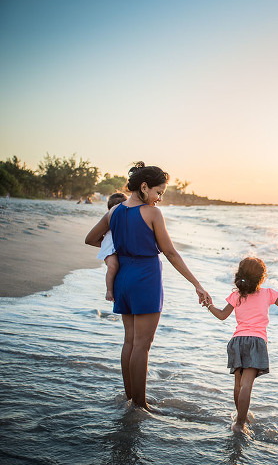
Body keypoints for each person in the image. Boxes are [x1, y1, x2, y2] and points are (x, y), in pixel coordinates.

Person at [85, 162, 211, 410]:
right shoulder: (152, 214)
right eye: (158, 192)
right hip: (146, 278)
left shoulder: (114, 212)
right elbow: (171, 253)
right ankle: (140, 405)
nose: (160, 199)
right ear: (144, 187)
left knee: (130, 341)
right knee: (142, 344)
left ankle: (130, 397)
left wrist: (114, 253)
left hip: (123, 278)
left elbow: (91, 239)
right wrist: (197, 284)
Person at [204, 257, 278, 433]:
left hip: (237, 341)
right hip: (256, 341)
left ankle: (241, 416)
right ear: (261, 278)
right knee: (247, 385)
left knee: (238, 384)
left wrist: (209, 305)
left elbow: (222, 315)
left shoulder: (236, 296)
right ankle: (240, 424)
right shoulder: (268, 293)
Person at [97, 192, 128, 302]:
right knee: (113, 266)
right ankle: (109, 290)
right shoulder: (110, 219)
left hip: (117, 248)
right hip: (110, 249)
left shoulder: (127, 219)